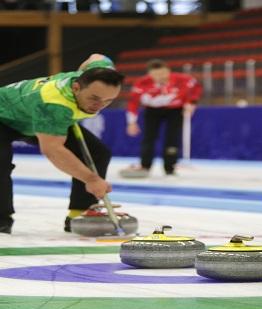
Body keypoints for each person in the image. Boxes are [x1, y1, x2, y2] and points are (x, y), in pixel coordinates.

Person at [0, 53, 124, 234]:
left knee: (97, 152)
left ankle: (80, 214)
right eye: (94, 98)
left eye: (108, 101)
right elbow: (53, 150)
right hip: (4, 115)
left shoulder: (101, 72)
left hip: (33, 116)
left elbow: (95, 56)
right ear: (76, 87)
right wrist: (91, 179)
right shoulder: (55, 104)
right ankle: (1, 218)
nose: (100, 105)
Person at [123, 59, 202, 176]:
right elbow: (133, 103)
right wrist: (131, 122)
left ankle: (170, 168)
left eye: (163, 73)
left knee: (173, 138)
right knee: (148, 138)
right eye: (156, 75)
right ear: (150, 74)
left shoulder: (183, 79)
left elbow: (195, 88)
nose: (161, 77)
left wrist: (191, 103)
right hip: (152, 111)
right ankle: (145, 166)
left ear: (168, 71)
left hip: (175, 111)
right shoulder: (141, 83)